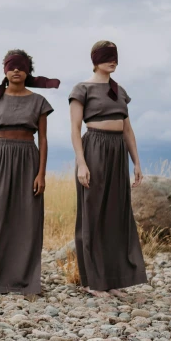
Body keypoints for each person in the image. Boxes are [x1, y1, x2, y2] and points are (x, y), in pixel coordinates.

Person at [0, 49, 58, 299]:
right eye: (11, 66)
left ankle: (23, 279)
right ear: (5, 71)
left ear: (27, 71)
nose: (16, 70)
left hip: (28, 159)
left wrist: (41, 174)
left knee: (26, 219)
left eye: (20, 66)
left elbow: (43, 139)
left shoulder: (39, 101)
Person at [69, 40, 147, 298]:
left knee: (115, 216)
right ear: (95, 59)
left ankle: (111, 280)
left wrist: (136, 162)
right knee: (93, 216)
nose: (112, 61)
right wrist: (81, 162)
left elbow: (127, 129)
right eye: (106, 57)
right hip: (94, 150)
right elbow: (75, 129)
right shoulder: (82, 89)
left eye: (114, 57)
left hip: (117, 153)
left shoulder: (119, 91)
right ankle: (91, 281)